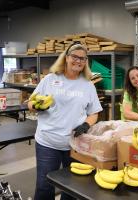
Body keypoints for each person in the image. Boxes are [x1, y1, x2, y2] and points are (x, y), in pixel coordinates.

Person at [28, 42, 103, 200]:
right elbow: (30, 102)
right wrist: (36, 107)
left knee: (71, 189)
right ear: (66, 58)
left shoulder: (88, 85)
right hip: (48, 142)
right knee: (44, 186)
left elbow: (94, 112)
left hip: (75, 144)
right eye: (75, 57)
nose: (79, 61)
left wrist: (86, 124)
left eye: (83, 59)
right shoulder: (50, 79)